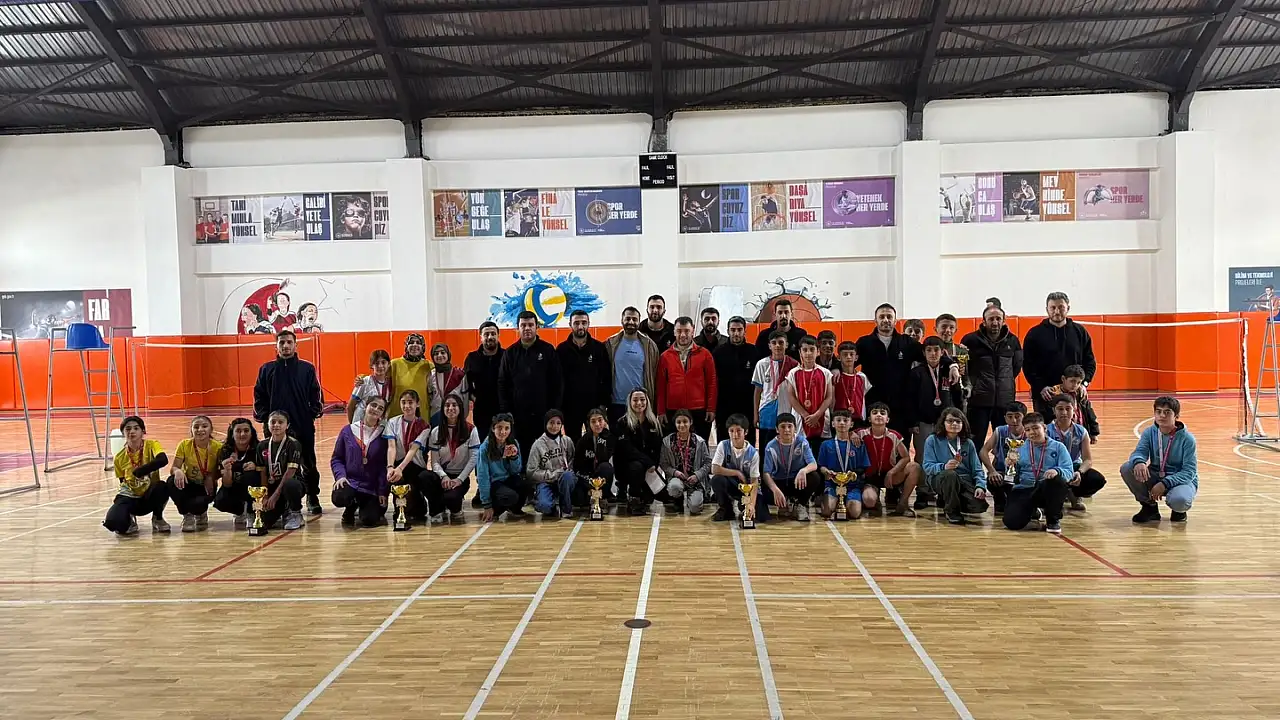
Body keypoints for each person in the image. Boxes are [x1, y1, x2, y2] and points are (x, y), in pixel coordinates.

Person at [252, 330, 324, 515]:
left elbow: (316, 395)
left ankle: (312, 496)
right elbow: (259, 396)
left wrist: (310, 415)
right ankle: (278, 501)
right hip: (275, 428)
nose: (285, 346)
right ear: (276, 346)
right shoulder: (266, 369)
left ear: (295, 345)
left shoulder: (307, 369)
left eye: (289, 342)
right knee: (275, 464)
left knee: (309, 463)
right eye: (282, 342)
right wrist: (265, 418)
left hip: (302, 425)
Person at [856, 304, 924, 455]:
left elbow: (931, 354)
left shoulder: (907, 342)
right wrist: (835, 369)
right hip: (873, 405)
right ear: (875, 320)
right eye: (882, 317)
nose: (886, 320)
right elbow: (846, 361)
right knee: (872, 449)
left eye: (889, 317)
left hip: (900, 407)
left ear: (895, 320)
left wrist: (951, 364)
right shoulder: (864, 343)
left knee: (900, 451)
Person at [498, 310, 563, 461]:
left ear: (536, 327)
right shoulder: (510, 353)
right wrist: (506, 411)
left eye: (530, 325)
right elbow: (502, 383)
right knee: (522, 453)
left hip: (544, 414)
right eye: (523, 325)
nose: (527, 328)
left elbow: (557, 382)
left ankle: (546, 476)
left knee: (546, 453)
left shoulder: (548, 350)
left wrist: (554, 410)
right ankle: (523, 475)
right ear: (518, 328)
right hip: (518, 415)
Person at [1121, 396, 1197, 524]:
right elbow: (1139, 452)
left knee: (1180, 500)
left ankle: (1179, 510)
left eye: (1167, 412)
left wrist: (1165, 483)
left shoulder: (1188, 439)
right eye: (1158, 411)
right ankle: (1149, 508)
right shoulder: (1149, 433)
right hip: (1156, 474)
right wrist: (1139, 461)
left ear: (1176, 416)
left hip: (1181, 479)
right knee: (1128, 468)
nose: (1162, 415)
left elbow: (1189, 472)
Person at [1023, 291, 1097, 417]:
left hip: (1074, 394)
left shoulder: (1080, 332)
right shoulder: (1034, 334)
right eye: (1053, 307)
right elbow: (1028, 366)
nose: (1057, 311)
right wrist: (1040, 387)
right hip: (1046, 395)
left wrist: (1084, 383)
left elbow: (1089, 361)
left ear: (1068, 308)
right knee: (1046, 428)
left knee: (1078, 428)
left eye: (1061, 307)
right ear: (1047, 309)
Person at [961, 304, 1023, 449]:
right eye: (991, 319)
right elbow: (965, 369)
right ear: (984, 321)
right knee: (974, 443)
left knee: (1004, 444)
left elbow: (1016, 367)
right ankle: (975, 465)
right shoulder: (970, 340)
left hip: (1004, 401)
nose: (995, 322)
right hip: (978, 401)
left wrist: (1003, 383)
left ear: (1004, 320)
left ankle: (1002, 465)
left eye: (998, 319)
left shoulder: (1013, 341)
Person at [1001, 412, 1073, 534]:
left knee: (1057, 481)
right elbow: (1014, 477)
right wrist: (1010, 465)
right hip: (1025, 488)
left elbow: (1069, 471)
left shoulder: (1058, 447)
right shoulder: (1019, 449)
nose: (1032, 432)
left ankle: (1052, 520)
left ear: (1044, 428)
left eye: (1035, 428)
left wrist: (1057, 471)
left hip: (1045, 489)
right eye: (1028, 430)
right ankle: (1033, 511)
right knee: (1011, 523)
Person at [330, 397, 394, 528]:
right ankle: (351, 506)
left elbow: (384, 465)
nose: (376, 409)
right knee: (340, 497)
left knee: (370, 520)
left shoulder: (384, 435)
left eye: (380, 408)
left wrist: (382, 490)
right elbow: (337, 458)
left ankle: (364, 505)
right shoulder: (348, 431)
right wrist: (340, 476)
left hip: (371, 487)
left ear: (382, 414)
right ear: (366, 406)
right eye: (373, 405)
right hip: (351, 482)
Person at [104, 416, 171, 536]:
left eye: (136, 428)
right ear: (123, 433)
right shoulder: (119, 457)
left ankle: (158, 518)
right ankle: (129, 518)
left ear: (143, 431)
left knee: (162, 486)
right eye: (128, 429)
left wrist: (141, 471)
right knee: (113, 522)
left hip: (149, 496)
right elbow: (122, 481)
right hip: (130, 495)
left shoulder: (152, 445)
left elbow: (163, 460)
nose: (132, 431)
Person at [922, 407, 989, 525]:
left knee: (978, 506)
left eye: (958, 421)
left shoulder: (968, 443)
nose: (954, 424)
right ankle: (951, 512)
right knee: (950, 475)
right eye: (950, 421)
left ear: (963, 424)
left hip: (963, 480)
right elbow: (927, 466)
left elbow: (977, 469)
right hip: (941, 478)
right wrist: (944, 466)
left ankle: (945, 500)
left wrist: (980, 486)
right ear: (943, 423)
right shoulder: (932, 440)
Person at [656, 316, 718, 440]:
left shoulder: (705, 354)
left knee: (700, 445)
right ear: (674, 332)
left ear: (693, 331)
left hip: (699, 410)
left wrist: (711, 408)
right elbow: (661, 385)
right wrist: (661, 411)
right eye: (679, 331)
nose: (683, 335)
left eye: (687, 331)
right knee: (673, 446)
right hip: (672, 409)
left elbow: (712, 383)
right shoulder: (665, 357)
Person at [557, 309, 612, 443]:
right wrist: (559, 406)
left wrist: (603, 404)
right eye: (576, 323)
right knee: (572, 441)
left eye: (583, 322)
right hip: (570, 407)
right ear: (570, 325)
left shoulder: (599, 348)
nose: (580, 326)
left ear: (588, 324)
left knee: (597, 441)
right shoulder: (561, 350)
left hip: (593, 406)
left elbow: (606, 377)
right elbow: (557, 381)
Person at [424, 394, 480, 523]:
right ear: (443, 409)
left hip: (460, 476)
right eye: (447, 405)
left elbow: (473, 459)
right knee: (424, 477)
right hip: (442, 476)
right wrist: (443, 476)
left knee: (451, 498)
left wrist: (459, 479)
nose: (450, 408)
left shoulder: (471, 430)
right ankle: (437, 511)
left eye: (454, 405)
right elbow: (435, 462)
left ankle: (456, 509)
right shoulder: (436, 432)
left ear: (460, 408)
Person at [858, 402, 920, 517]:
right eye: (874, 413)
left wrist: (892, 472)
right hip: (869, 477)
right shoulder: (861, 434)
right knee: (869, 499)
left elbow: (906, 457)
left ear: (887, 419)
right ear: (869, 419)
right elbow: (846, 434)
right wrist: (851, 435)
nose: (879, 415)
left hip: (890, 475)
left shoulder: (894, 435)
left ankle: (902, 504)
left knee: (914, 467)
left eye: (882, 413)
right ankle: (874, 503)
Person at [1048, 394, 1107, 512]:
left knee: (1097, 479)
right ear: (1054, 410)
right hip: (1054, 468)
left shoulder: (1081, 431)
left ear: (1074, 409)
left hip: (1074, 466)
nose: (1064, 412)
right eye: (1060, 409)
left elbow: (1088, 460)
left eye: (1068, 408)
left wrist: (1079, 472)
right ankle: (1058, 495)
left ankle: (1075, 494)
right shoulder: (1046, 431)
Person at [614, 388, 666, 516]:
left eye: (642, 400)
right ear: (630, 402)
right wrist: (648, 463)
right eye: (635, 400)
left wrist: (654, 466)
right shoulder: (622, 422)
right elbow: (627, 450)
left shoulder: (653, 423)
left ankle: (644, 492)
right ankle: (633, 499)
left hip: (649, 469)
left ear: (647, 401)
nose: (639, 403)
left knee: (662, 496)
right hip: (628, 466)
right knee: (636, 466)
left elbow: (658, 448)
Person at [605, 307, 660, 428]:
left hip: (640, 405)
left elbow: (656, 376)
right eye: (628, 319)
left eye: (634, 319)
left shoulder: (649, 346)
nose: (631, 322)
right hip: (617, 404)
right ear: (622, 320)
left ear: (639, 322)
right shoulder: (610, 344)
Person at [168, 415, 223, 533]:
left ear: (211, 429)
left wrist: (211, 477)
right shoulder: (184, 444)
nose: (200, 429)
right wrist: (177, 471)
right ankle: (187, 516)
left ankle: (201, 512)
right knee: (171, 481)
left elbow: (222, 471)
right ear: (191, 430)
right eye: (196, 427)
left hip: (206, 486)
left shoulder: (218, 447)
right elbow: (174, 467)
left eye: (204, 426)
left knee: (198, 505)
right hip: (188, 484)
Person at [909, 337, 964, 455]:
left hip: (946, 422)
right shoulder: (916, 373)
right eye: (929, 350)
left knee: (946, 454)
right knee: (923, 455)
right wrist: (914, 422)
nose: (933, 354)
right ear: (924, 353)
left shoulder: (949, 371)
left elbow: (957, 396)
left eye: (936, 350)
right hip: (924, 422)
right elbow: (911, 399)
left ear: (942, 352)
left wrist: (960, 416)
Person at [761, 413, 819, 522]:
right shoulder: (771, 446)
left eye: (790, 426)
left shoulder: (802, 442)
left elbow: (813, 464)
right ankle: (784, 502)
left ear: (795, 428)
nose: (787, 430)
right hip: (779, 481)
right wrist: (775, 490)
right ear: (777, 429)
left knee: (814, 477)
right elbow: (766, 473)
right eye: (783, 427)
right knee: (765, 488)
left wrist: (803, 470)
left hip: (797, 481)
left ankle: (800, 504)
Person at [712, 316, 761, 445]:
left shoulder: (754, 352)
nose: (736, 333)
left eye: (739, 330)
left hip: (747, 405)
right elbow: (713, 382)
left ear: (745, 331)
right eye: (733, 330)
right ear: (728, 331)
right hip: (724, 406)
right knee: (724, 442)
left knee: (748, 442)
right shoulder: (718, 353)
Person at [256, 410, 306, 531]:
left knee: (290, 484)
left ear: (287, 425)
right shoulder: (262, 446)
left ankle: (295, 513)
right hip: (272, 486)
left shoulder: (293, 444)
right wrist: (265, 496)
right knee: (265, 520)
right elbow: (263, 473)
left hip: (291, 484)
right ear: (268, 424)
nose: (276, 425)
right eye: (273, 422)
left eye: (280, 422)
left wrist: (275, 496)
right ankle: (281, 510)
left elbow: (290, 473)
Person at [818, 409, 874, 519]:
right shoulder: (826, 444)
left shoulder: (858, 444)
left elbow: (863, 467)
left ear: (851, 424)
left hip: (853, 485)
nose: (842, 423)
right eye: (838, 420)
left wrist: (851, 474)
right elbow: (821, 466)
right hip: (832, 484)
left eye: (845, 420)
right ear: (833, 424)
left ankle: (849, 503)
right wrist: (826, 472)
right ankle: (834, 502)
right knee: (827, 511)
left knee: (854, 513)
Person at [386, 390, 432, 522]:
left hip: (415, 467)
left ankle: (419, 499)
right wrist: (390, 468)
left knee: (418, 511)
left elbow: (413, 449)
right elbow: (391, 446)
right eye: (403, 402)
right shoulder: (392, 422)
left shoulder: (424, 426)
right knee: (401, 507)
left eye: (410, 402)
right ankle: (398, 509)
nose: (407, 406)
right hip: (397, 466)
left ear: (417, 404)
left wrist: (400, 468)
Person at [710, 413, 764, 523]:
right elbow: (714, 469)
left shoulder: (753, 453)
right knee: (716, 479)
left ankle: (744, 505)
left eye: (739, 431)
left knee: (761, 516)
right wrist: (737, 473)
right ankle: (726, 508)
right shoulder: (723, 445)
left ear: (746, 432)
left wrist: (751, 505)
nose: (735, 434)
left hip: (747, 487)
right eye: (732, 431)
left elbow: (754, 481)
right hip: (731, 484)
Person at [978, 401, 1028, 515]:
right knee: (992, 480)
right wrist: (991, 471)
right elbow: (983, 451)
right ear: (1005, 418)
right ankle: (1000, 502)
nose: (1014, 420)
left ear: (1024, 417)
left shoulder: (1030, 432)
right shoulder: (1000, 431)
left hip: (1023, 474)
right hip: (1003, 473)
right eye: (1010, 416)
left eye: (1017, 416)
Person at [783, 335, 833, 449]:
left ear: (818, 351)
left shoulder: (825, 372)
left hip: (821, 418)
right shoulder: (792, 373)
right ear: (800, 352)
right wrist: (806, 415)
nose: (808, 353)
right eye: (805, 350)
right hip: (800, 419)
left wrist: (817, 415)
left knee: (820, 451)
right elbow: (791, 397)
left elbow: (829, 397)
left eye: (812, 349)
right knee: (801, 452)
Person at [477, 414, 528, 522]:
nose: (503, 432)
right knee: (511, 496)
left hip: (507, 479)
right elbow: (483, 476)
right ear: (493, 428)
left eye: (506, 428)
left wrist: (514, 457)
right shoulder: (485, 448)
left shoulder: (514, 443)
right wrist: (486, 504)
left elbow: (516, 471)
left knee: (525, 484)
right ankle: (495, 510)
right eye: (499, 428)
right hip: (494, 483)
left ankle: (514, 509)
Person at [527, 409, 578, 519]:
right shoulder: (537, 445)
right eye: (551, 423)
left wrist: (566, 472)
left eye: (558, 423)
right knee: (544, 506)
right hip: (546, 482)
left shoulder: (567, 441)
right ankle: (546, 503)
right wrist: (553, 475)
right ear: (546, 424)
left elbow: (573, 461)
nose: (555, 426)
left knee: (567, 476)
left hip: (565, 480)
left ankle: (566, 509)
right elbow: (531, 473)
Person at [753, 331, 799, 451]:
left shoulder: (794, 365)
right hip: (766, 410)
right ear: (769, 345)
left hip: (786, 410)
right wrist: (755, 414)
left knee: (785, 446)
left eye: (781, 342)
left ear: (787, 344)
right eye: (774, 343)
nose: (777, 345)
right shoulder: (761, 364)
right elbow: (757, 391)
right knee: (765, 447)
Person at [661, 409, 713, 515]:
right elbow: (663, 463)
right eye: (678, 422)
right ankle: (677, 499)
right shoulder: (667, 441)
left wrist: (697, 475)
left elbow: (708, 462)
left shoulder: (699, 441)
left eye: (685, 421)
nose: (682, 425)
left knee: (695, 508)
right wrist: (675, 472)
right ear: (675, 423)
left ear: (691, 422)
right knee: (674, 487)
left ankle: (697, 496)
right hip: (677, 478)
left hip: (695, 481)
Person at [213, 417, 261, 530]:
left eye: (246, 430)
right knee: (220, 501)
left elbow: (265, 474)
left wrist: (257, 467)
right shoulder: (225, 451)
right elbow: (227, 484)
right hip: (234, 486)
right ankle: (239, 511)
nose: (242, 434)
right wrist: (227, 470)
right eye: (238, 431)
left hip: (253, 487)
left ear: (252, 433)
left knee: (250, 476)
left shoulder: (258, 448)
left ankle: (252, 512)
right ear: (232, 433)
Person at [464, 321, 505, 447]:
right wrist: (473, 397)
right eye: (486, 334)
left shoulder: (507, 355)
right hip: (481, 412)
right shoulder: (472, 358)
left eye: (493, 334)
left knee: (502, 447)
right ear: (481, 337)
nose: (490, 337)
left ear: (498, 336)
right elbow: (466, 382)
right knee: (483, 446)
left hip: (503, 410)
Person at [1046, 364, 1101, 442]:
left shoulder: (1081, 393)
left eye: (1078, 382)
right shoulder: (1054, 393)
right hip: (1059, 432)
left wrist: (1094, 432)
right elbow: (1049, 415)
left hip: (1078, 431)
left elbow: (1089, 412)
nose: (1075, 385)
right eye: (1072, 381)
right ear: (1063, 379)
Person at [574, 408, 616, 507]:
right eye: (593, 421)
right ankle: (591, 495)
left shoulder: (609, 438)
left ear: (605, 421)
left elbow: (603, 458)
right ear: (589, 424)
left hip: (601, 475)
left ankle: (603, 496)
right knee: (579, 500)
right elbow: (577, 467)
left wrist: (602, 440)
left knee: (606, 467)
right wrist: (589, 484)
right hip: (586, 477)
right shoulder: (582, 441)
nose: (597, 424)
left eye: (600, 420)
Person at [389, 333, 433, 421]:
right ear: (406, 346)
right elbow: (378, 378)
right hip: (396, 416)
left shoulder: (429, 366)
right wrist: (362, 378)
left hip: (421, 417)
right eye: (411, 342)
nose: (415, 345)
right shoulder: (394, 364)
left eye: (418, 343)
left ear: (423, 347)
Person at [427, 343, 468, 427]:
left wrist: (463, 417)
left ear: (448, 355)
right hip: (435, 415)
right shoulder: (431, 374)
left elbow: (465, 399)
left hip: (455, 414)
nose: (439, 355)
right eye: (436, 353)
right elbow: (429, 397)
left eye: (442, 352)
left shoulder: (459, 374)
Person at [347, 349, 392, 423]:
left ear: (389, 364)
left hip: (378, 424)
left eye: (383, 362)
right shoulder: (364, 382)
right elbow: (350, 407)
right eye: (377, 363)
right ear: (371, 365)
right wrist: (352, 426)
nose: (380, 366)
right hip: (361, 422)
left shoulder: (390, 384)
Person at [832, 341, 871, 424]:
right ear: (839, 357)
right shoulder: (835, 376)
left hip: (858, 418)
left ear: (856, 357)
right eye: (845, 354)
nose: (848, 357)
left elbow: (863, 396)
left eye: (851, 354)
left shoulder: (862, 377)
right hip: (840, 419)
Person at [934, 314, 970, 402]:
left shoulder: (961, 351)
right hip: (934, 392)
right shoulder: (929, 350)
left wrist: (968, 387)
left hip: (955, 394)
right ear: (936, 329)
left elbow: (966, 375)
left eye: (951, 327)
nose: (947, 330)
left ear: (956, 330)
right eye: (944, 327)